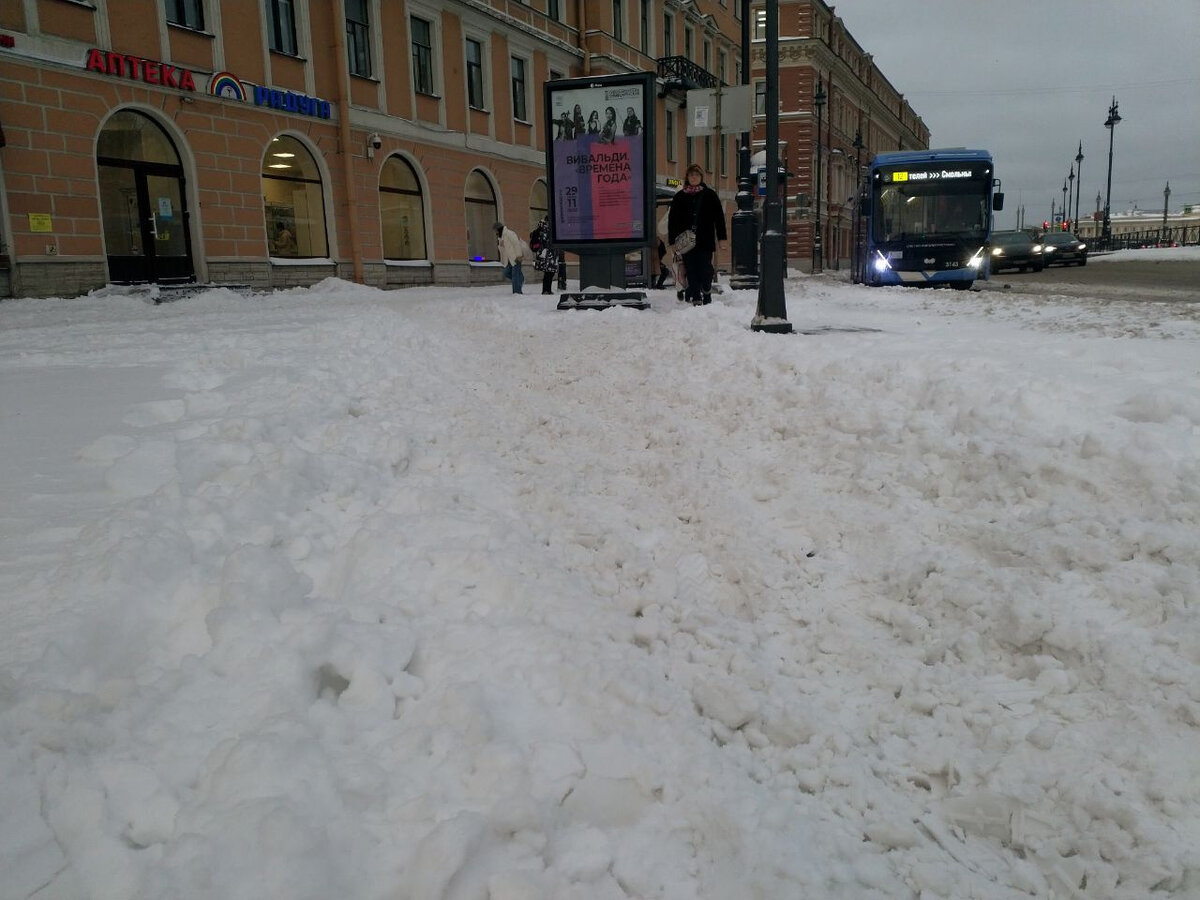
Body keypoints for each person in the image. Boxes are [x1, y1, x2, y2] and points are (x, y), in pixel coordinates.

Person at [667, 163, 726, 304]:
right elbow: (672, 220)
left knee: (705, 268)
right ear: (687, 177)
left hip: (705, 239)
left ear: (701, 177)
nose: (694, 177)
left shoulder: (709, 195)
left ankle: (706, 289)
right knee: (691, 269)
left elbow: (719, 218)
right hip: (686, 241)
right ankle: (696, 296)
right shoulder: (680, 196)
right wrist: (672, 241)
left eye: (697, 175)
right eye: (691, 175)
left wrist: (722, 238)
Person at [529, 216, 561, 295]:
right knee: (549, 272)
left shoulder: (541, 226)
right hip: (549, 253)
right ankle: (546, 290)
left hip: (544, 253)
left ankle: (546, 290)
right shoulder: (549, 228)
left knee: (548, 272)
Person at [494, 221, 525, 294]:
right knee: (506, 273)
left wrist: (519, 255)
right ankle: (521, 279)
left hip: (515, 258)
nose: (495, 232)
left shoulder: (509, 233)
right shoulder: (501, 238)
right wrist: (501, 245)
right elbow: (502, 251)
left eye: (496, 230)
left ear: (499, 229)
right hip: (508, 260)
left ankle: (517, 293)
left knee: (515, 276)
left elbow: (516, 244)